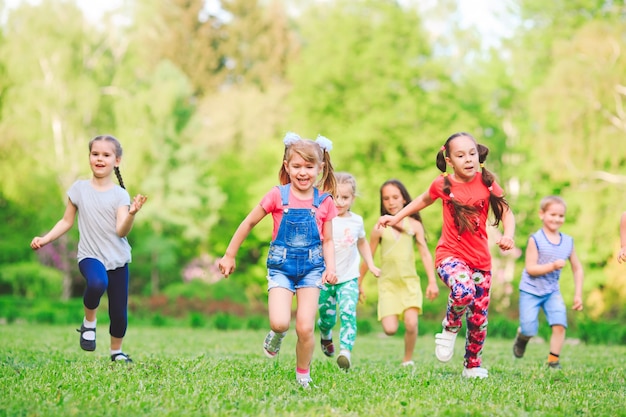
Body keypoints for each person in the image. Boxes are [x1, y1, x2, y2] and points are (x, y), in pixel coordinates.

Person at [376, 132, 516, 379]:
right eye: (460, 155)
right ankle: (450, 327)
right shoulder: (442, 185)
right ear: (449, 159)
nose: (468, 159)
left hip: (481, 261)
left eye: (472, 153)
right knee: (463, 291)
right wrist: (396, 218)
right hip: (450, 255)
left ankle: (472, 365)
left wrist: (509, 235)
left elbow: (506, 211)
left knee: (478, 318)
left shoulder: (487, 181)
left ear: (478, 154)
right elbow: (421, 200)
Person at [218, 132, 337, 389]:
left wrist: (331, 267)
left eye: (309, 166)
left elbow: (328, 240)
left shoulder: (325, 202)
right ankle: (276, 334)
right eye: (296, 166)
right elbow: (248, 222)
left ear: (320, 167)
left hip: (313, 269)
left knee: (305, 328)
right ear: (286, 166)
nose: (303, 172)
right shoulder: (276, 196)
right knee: (280, 322)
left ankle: (303, 374)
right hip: (281, 268)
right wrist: (229, 254)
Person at [30, 135, 147, 363]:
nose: (100, 159)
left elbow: (121, 231)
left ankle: (116, 352)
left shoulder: (119, 195)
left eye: (106, 155)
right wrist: (45, 239)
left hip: (118, 258)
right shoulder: (79, 189)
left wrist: (132, 213)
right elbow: (66, 221)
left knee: (118, 313)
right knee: (96, 282)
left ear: (117, 160)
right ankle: (89, 323)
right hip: (90, 255)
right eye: (95, 154)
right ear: (89, 157)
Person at [362, 179, 439, 367]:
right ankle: (393, 323)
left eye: (395, 197)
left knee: (412, 324)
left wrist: (432, 281)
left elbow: (425, 254)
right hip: (388, 285)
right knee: (389, 329)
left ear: (404, 200)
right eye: (386, 198)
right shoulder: (379, 228)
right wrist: (359, 283)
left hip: (409, 283)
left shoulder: (414, 225)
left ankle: (407, 359)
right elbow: (368, 257)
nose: (391, 202)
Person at [317, 172, 380, 370]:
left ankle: (345, 351)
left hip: (349, 277)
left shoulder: (357, 221)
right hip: (325, 277)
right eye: (335, 196)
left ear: (353, 198)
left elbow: (362, 243)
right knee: (327, 317)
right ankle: (325, 334)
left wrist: (370, 264)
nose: (339, 201)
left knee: (348, 312)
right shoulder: (323, 218)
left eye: (345, 197)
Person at [513, 196, 584, 369]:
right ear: (541, 214)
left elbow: (577, 269)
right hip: (530, 290)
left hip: (552, 291)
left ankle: (553, 360)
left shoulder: (568, 242)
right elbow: (530, 268)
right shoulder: (535, 239)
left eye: (561, 216)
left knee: (560, 324)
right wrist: (552, 266)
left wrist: (578, 294)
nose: (556, 219)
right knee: (530, 329)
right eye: (552, 214)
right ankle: (522, 337)